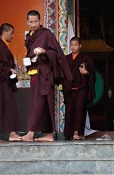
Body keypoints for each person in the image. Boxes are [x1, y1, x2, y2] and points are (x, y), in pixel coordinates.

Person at [21, 10, 73, 142]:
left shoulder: (46, 34)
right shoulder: (29, 36)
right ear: (27, 22)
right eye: (31, 22)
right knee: (43, 104)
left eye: (36, 21)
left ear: (40, 21)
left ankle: (31, 134)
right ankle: (49, 135)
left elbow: (57, 53)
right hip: (34, 74)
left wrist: (44, 51)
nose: (33, 24)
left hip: (45, 75)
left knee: (37, 104)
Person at [0, 23, 21, 142]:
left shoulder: (4, 46)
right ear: (5, 32)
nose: (13, 36)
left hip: (3, 82)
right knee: (8, 106)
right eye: (12, 33)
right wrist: (8, 69)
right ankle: (12, 134)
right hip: (1, 83)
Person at [64, 37, 96, 140]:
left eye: (75, 45)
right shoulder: (66, 59)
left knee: (79, 110)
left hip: (81, 89)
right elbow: (62, 74)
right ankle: (69, 133)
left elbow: (93, 75)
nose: (73, 47)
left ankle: (77, 132)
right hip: (69, 89)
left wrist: (86, 72)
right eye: (71, 45)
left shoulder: (86, 59)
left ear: (80, 46)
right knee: (69, 111)